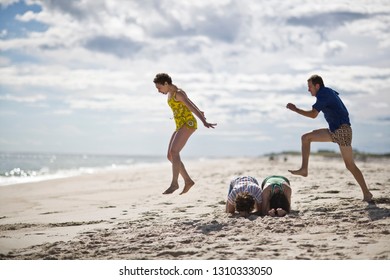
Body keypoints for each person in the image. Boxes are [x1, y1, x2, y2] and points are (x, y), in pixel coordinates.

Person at [286, 74, 373, 202]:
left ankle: (366, 193)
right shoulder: (327, 92)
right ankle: (304, 169)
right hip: (337, 130)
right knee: (306, 138)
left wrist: (295, 109)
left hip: (342, 130)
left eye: (310, 87)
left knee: (350, 165)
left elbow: (313, 115)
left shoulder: (324, 93)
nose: (308, 90)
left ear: (317, 85)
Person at [153, 73, 217, 195]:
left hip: (188, 123)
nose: (158, 91)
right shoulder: (171, 93)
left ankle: (174, 183)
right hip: (179, 125)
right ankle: (188, 180)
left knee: (174, 152)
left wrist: (204, 121)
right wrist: (201, 111)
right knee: (170, 156)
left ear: (166, 83)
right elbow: (191, 103)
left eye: (159, 88)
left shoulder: (178, 93)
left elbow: (191, 106)